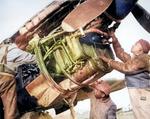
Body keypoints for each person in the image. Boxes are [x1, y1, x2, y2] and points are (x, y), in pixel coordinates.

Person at [101, 30, 150, 119]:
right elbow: (121, 54)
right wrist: (114, 40)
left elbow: (126, 68)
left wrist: (109, 61)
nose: (133, 45)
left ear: (141, 49)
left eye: (136, 44)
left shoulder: (143, 59)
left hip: (142, 94)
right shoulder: (135, 58)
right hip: (137, 93)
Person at [0, 35, 37, 119]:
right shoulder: (15, 52)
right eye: (25, 46)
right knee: (10, 110)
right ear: (20, 45)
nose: (25, 49)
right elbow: (33, 59)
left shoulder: (3, 47)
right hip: (4, 79)